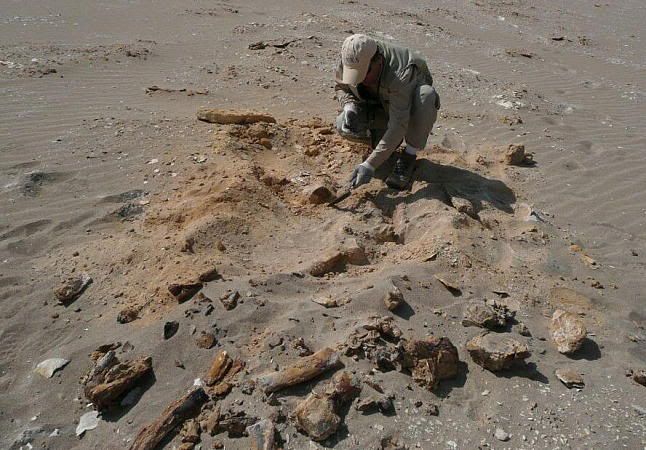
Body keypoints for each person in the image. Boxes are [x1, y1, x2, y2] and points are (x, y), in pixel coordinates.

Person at [335, 34, 440, 190]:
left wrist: (369, 165)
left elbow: (399, 124)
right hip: (380, 105)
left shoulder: (401, 73)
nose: (361, 80)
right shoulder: (352, 57)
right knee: (342, 123)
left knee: (426, 96)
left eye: (365, 73)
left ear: (378, 61)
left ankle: (409, 156)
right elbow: (341, 87)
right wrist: (350, 107)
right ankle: (384, 142)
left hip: (406, 109)